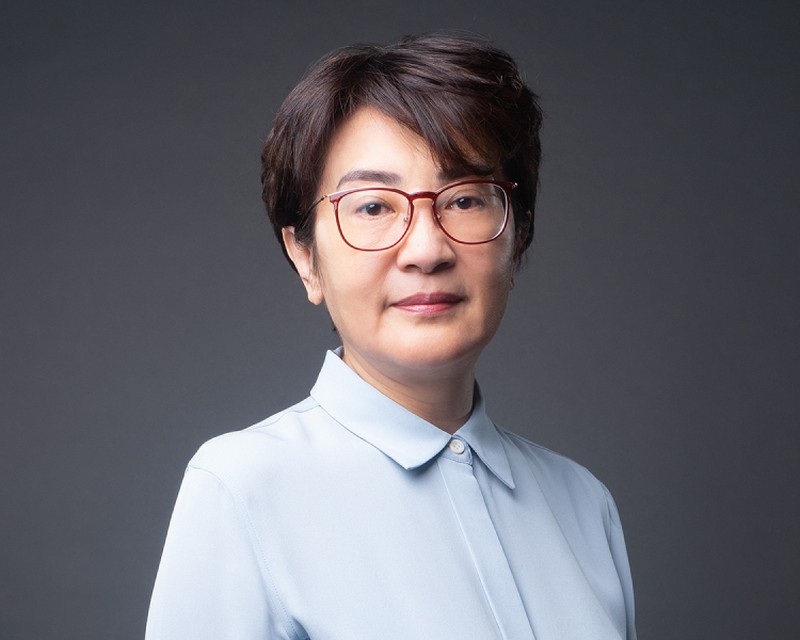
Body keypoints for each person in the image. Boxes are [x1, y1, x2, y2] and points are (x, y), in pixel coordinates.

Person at [146, 33, 637, 640]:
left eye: (464, 199)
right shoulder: (243, 488)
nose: (427, 249)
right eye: (373, 207)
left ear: (520, 235)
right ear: (305, 257)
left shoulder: (584, 506)